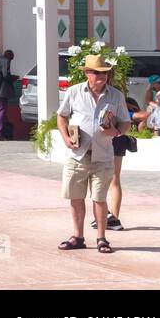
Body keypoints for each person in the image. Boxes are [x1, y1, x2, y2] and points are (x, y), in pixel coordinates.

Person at [55, 55, 130, 254]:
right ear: (87, 73)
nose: (102, 76)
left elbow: (126, 122)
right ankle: (78, 237)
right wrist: (65, 137)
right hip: (77, 155)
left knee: (99, 199)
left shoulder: (116, 96)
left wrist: (116, 132)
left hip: (103, 155)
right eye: (97, 72)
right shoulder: (74, 92)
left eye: (105, 72)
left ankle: (102, 238)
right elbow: (61, 116)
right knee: (76, 197)